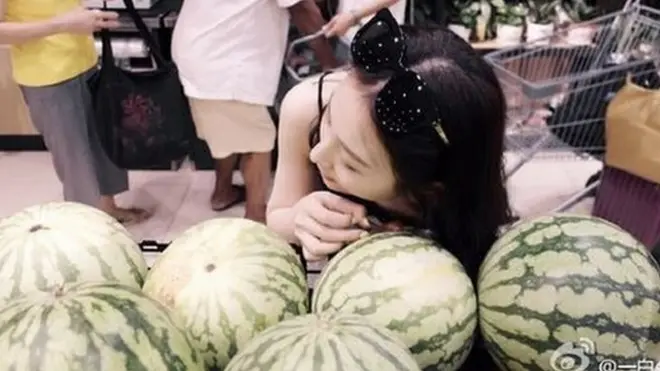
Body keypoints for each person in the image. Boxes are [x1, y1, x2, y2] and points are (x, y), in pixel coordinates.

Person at [267, 9, 510, 368]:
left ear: (426, 190)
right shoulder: (305, 106)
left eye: (350, 163)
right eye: (329, 122)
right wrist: (300, 219)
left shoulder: (454, 191)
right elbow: (277, 216)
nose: (319, 152)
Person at [172, 0, 334, 223]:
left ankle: (222, 192)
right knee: (258, 142)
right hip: (228, 61)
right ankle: (256, 214)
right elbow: (303, 8)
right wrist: (330, 63)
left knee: (224, 129)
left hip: (198, 51)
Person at [0, 1, 151, 224]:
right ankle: (87, 229)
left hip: (84, 62)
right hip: (47, 76)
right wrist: (63, 24)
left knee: (101, 145)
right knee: (74, 160)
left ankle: (108, 210)